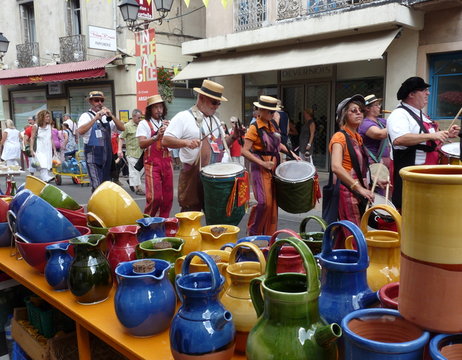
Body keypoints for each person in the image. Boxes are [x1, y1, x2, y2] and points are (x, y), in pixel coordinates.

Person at [162, 79, 240, 212]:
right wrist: (186, 142)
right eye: (214, 102)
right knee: (191, 216)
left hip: (214, 178)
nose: (216, 106)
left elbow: (220, 146)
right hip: (193, 177)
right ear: (202, 98)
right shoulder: (183, 117)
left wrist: (233, 137)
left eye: (219, 103)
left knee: (215, 218)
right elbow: (166, 140)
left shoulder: (215, 120)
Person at [387, 77, 459, 209]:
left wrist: (446, 134)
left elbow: (426, 139)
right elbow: (399, 139)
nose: (428, 93)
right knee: (411, 211)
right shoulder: (399, 114)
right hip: (412, 176)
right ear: (411, 94)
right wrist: (432, 135)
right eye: (424, 90)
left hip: (427, 174)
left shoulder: (421, 115)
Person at [241, 95, 300, 236]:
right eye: (269, 111)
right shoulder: (254, 127)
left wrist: (292, 154)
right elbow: (244, 151)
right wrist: (263, 163)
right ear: (260, 110)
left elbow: (277, 144)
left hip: (274, 166)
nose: (272, 114)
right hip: (260, 166)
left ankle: (269, 237)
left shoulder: (272, 125)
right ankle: (254, 234)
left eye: (273, 112)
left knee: (273, 205)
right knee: (264, 203)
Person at [329, 95, 375, 239]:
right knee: (354, 234)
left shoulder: (357, 137)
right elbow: (336, 167)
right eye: (353, 111)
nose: (358, 113)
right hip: (347, 191)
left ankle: (338, 259)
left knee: (348, 234)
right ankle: (357, 259)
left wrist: (374, 179)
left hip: (357, 189)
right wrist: (359, 188)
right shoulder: (339, 137)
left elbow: (359, 166)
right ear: (344, 115)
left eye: (360, 110)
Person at [77, 91, 125, 192]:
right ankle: (95, 205)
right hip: (93, 156)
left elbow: (122, 128)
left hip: (107, 157)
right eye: (96, 100)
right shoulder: (86, 116)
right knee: (97, 186)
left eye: (101, 100)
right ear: (91, 102)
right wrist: (95, 118)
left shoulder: (107, 118)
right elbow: (80, 131)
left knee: (105, 186)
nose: (100, 103)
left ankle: (101, 205)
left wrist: (111, 116)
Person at [137, 95, 173, 217]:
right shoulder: (144, 124)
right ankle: (148, 223)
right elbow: (141, 143)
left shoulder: (167, 123)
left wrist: (171, 130)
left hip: (167, 163)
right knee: (154, 197)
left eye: (161, 107)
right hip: (152, 164)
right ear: (150, 110)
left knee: (168, 198)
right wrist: (156, 137)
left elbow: (174, 143)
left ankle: (164, 223)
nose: (159, 110)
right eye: (156, 107)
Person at [119, 109, 144, 195]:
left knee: (140, 171)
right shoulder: (127, 126)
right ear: (133, 117)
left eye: (141, 117)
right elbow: (121, 138)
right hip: (132, 153)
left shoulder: (142, 125)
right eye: (138, 117)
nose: (140, 119)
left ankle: (132, 181)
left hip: (141, 152)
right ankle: (138, 188)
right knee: (135, 171)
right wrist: (119, 150)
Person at [30, 110, 56, 182]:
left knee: (47, 162)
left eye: (48, 116)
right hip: (39, 147)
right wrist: (31, 149)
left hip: (48, 147)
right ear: (42, 117)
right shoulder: (36, 126)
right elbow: (32, 138)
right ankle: (45, 177)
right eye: (46, 117)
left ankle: (45, 176)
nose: (48, 118)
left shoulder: (49, 126)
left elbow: (51, 138)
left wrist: (54, 149)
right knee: (42, 162)